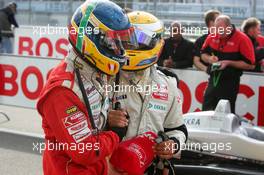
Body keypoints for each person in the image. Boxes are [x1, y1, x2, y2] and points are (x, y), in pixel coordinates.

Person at [36, 1, 138, 175]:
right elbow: (85, 150)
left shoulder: (93, 71)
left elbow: (91, 125)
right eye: (114, 42)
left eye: (121, 42)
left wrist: (107, 121)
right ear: (93, 39)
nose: (120, 50)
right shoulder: (62, 90)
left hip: (96, 168)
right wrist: (115, 134)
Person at [107, 11, 188, 174]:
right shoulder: (105, 77)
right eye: (127, 41)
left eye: (139, 41)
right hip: (112, 167)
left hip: (151, 168)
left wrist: (172, 144)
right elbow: (83, 133)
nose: (132, 46)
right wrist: (107, 122)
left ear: (158, 44)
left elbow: (178, 128)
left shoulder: (168, 82)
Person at [201, 15, 255, 113]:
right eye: (216, 29)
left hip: (230, 82)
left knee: (225, 115)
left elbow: (250, 65)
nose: (218, 32)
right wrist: (209, 59)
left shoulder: (242, 39)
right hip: (213, 79)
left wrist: (228, 63)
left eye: (221, 29)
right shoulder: (213, 35)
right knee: (206, 111)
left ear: (229, 27)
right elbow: (202, 54)